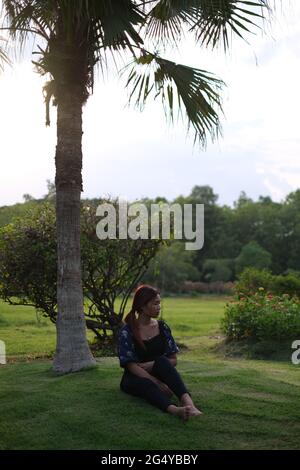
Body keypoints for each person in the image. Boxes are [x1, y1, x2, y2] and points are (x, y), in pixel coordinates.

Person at [117, 284, 203, 421]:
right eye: (155, 303)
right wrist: (156, 382)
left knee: (162, 361)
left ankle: (188, 403)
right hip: (134, 378)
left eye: (159, 303)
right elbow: (131, 366)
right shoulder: (127, 331)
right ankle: (175, 410)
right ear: (142, 306)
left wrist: (153, 364)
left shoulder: (162, 327)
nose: (159, 307)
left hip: (158, 371)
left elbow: (173, 359)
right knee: (147, 385)